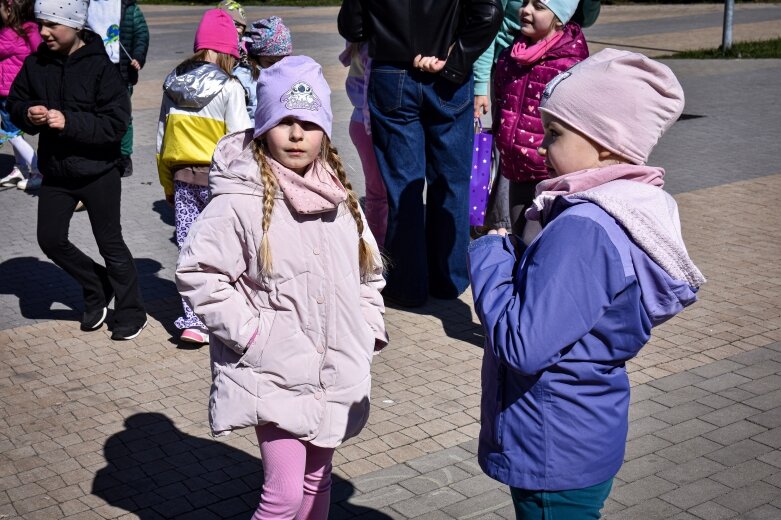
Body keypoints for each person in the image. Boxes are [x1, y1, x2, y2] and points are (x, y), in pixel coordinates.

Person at [468, 49, 705, 519]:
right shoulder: (626, 209)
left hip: (552, 444)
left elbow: (522, 344)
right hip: (577, 431)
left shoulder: (585, 228)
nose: (541, 147)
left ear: (607, 143)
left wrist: (491, 255)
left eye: (555, 133)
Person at [175, 55, 388, 520]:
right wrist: (254, 334)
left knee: (317, 481)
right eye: (283, 121)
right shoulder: (240, 200)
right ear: (263, 126)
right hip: (274, 373)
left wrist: (368, 328)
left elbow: (369, 273)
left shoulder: (341, 199)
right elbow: (199, 273)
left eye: (309, 124)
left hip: (335, 369)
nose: (296, 134)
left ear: (324, 131)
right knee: (284, 496)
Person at [338, 0, 503, 307]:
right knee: (451, 183)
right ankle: (448, 280)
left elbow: (352, 27)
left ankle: (408, 285)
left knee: (403, 187)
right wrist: (456, 60)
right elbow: (489, 13)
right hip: (448, 73)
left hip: (391, 72)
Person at [8, 0, 147, 340]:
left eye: (52, 25)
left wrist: (69, 121)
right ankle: (96, 284)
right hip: (56, 171)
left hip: (99, 171)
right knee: (50, 239)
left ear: (75, 26)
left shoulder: (102, 67)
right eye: (41, 23)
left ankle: (131, 311)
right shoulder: (36, 63)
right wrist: (28, 113)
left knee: (110, 244)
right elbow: (15, 103)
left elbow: (116, 124)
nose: (43, 32)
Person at [156, 8, 251, 345]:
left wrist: (167, 184)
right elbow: (240, 140)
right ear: (227, 51)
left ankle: (193, 321)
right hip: (220, 183)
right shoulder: (230, 87)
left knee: (189, 249)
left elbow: (161, 139)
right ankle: (230, 313)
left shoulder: (172, 82)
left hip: (182, 180)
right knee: (229, 247)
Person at [492, 0, 588, 236]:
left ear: (560, 18)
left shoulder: (570, 65)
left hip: (552, 177)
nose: (526, 10)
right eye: (525, 2)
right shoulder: (509, 57)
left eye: (539, 6)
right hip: (517, 170)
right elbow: (501, 105)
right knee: (519, 240)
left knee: (539, 243)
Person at [86, 0, 150, 178]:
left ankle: (124, 156)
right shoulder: (85, 4)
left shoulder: (128, 7)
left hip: (120, 70)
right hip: (93, 68)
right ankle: (98, 153)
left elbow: (141, 33)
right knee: (93, 112)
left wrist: (138, 56)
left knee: (123, 115)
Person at [339, 40, 387, 247]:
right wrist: (371, 126)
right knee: (379, 192)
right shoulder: (372, 47)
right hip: (370, 124)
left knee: (379, 191)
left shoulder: (359, 39)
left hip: (362, 123)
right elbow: (369, 88)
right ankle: (377, 246)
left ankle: (380, 240)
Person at [0, 0, 42, 190]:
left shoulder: (8, 33)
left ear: (9, 9)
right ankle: (20, 168)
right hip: (20, 92)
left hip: (7, 92)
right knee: (14, 131)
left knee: (11, 133)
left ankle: (38, 170)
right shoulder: (31, 29)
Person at [235, 16, 292, 123]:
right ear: (256, 57)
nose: (277, 67)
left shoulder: (288, 73)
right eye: (271, 62)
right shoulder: (243, 79)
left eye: (283, 62)